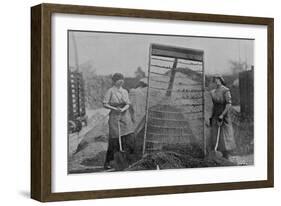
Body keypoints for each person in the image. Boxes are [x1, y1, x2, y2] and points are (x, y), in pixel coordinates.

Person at [103, 73, 135, 169]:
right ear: (114, 81)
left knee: (129, 137)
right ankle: (109, 162)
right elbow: (105, 103)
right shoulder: (110, 91)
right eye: (118, 79)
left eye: (122, 79)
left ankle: (128, 161)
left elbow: (128, 103)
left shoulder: (125, 91)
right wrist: (114, 108)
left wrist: (124, 109)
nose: (121, 81)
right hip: (115, 116)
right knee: (114, 140)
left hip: (125, 116)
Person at [209, 75, 236, 159]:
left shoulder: (225, 90)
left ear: (221, 80)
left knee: (224, 133)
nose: (216, 81)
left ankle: (226, 154)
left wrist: (222, 115)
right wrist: (212, 115)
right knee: (215, 132)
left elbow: (228, 104)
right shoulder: (213, 92)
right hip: (215, 113)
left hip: (224, 113)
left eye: (218, 79)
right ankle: (217, 152)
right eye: (215, 80)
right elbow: (212, 105)